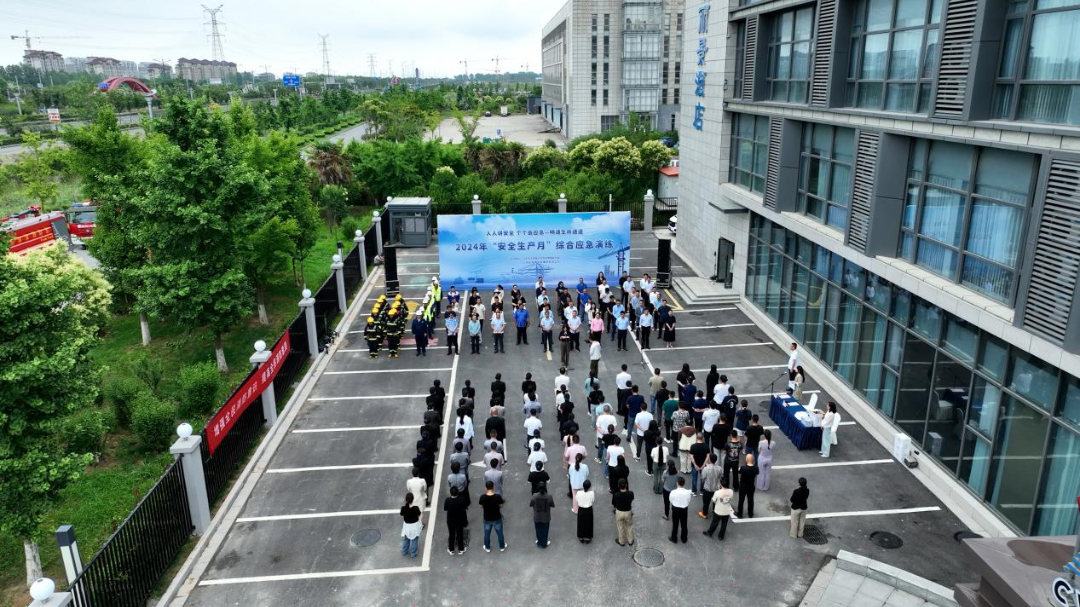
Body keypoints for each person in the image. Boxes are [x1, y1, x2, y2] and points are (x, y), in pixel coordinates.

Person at [478, 480, 507, 553]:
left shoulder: (482, 497)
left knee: (487, 534)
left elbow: (481, 506)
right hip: (497, 518)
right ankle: (502, 546)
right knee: (500, 533)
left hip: (487, 518)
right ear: (493, 487)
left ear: (486, 488)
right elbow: (501, 505)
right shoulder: (498, 497)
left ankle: (487, 547)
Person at [444, 485, 469, 555]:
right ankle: (461, 549)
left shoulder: (448, 500)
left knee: (451, 534)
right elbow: (465, 508)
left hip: (450, 520)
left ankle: (451, 549)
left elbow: (445, 508)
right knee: (460, 534)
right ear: (458, 492)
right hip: (460, 520)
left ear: (450, 493)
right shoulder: (461, 499)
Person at [530, 482, 555, 549]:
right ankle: (544, 544)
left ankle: (539, 542)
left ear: (538, 488)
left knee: (538, 530)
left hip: (537, 517)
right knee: (545, 530)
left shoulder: (534, 496)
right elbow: (552, 505)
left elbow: (531, 504)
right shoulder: (549, 496)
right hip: (546, 517)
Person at [669, 476, 692, 544]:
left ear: (677, 483)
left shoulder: (673, 492)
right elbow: (688, 500)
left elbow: (671, 500)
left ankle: (674, 538)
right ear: (684, 483)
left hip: (675, 508)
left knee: (675, 524)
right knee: (684, 524)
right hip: (684, 509)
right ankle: (684, 538)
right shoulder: (688, 492)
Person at [699, 453, 722, 519]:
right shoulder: (719, 468)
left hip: (707, 488)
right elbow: (720, 477)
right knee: (715, 501)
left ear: (710, 460)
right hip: (716, 488)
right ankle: (714, 511)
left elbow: (703, 478)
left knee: (706, 502)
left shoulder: (706, 469)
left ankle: (705, 513)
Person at [612, 478, 635, 546]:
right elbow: (632, 499)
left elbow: (614, 503)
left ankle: (621, 541)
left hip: (619, 512)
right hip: (628, 512)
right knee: (629, 526)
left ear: (618, 486)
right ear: (626, 485)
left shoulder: (616, 495)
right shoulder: (631, 493)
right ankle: (630, 541)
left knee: (620, 527)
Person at [400, 493, 423, 558]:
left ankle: (404, 551)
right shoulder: (416, 508)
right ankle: (413, 553)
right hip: (414, 527)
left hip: (407, 527)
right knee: (415, 540)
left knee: (406, 539)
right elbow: (420, 515)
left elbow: (401, 514)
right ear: (413, 500)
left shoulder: (403, 508)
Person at [736, 453, 759, 519]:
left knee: (741, 500)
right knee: (750, 500)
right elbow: (757, 473)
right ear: (753, 459)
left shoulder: (743, 468)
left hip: (743, 486)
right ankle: (750, 513)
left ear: (746, 459)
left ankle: (740, 514)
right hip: (751, 486)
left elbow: (739, 471)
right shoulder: (756, 468)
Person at [576, 479, 595, 543]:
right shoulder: (592, 493)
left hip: (581, 510)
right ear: (589, 486)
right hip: (589, 509)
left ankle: (581, 536)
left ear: (583, 485)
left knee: (581, 523)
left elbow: (577, 500)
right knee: (589, 523)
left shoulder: (578, 493)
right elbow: (593, 500)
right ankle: (588, 537)